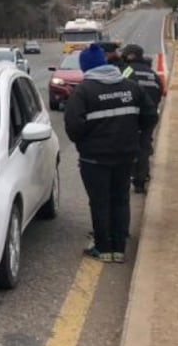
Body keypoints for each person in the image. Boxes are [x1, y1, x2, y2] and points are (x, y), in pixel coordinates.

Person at [64, 43, 157, 264]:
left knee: (100, 202)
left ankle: (103, 248)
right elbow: (150, 116)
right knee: (120, 200)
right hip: (126, 155)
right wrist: (134, 134)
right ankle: (119, 249)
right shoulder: (131, 87)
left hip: (94, 158)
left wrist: (88, 141)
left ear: (86, 67)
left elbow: (73, 128)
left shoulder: (83, 92)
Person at [120, 44, 163, 194]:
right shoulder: (151, 73)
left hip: (132, 115)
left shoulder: (128, 70)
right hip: (149, 115)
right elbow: (160, 91)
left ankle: (133, 175)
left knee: (130, 147)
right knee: (144, 147)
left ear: (131, 56)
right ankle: (141, 179)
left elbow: (121, 87)